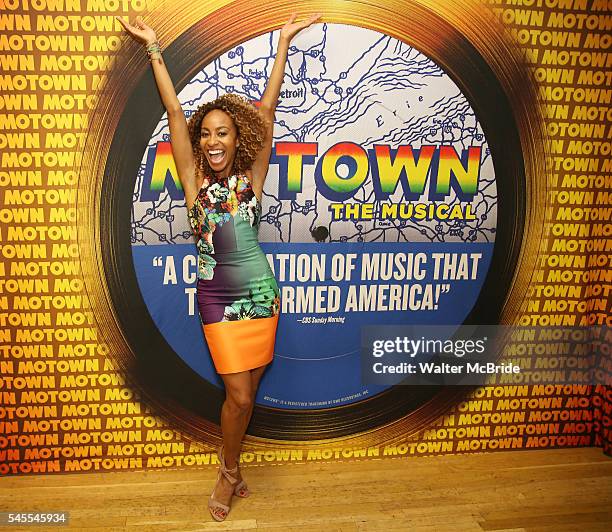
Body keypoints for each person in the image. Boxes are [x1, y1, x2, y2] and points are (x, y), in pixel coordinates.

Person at [117, 12, 321, 522]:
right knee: (238, 394)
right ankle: (227, 473)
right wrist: (154, 48)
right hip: (218, 300)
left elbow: (268, 112)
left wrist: (282, 46)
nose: (212, 141)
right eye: (205, 132)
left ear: (236, 139)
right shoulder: (193, 183)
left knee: (247, 399)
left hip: (261, 294)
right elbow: (171, 106)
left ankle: (233, 465)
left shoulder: (252, 178)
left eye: (223, 133)